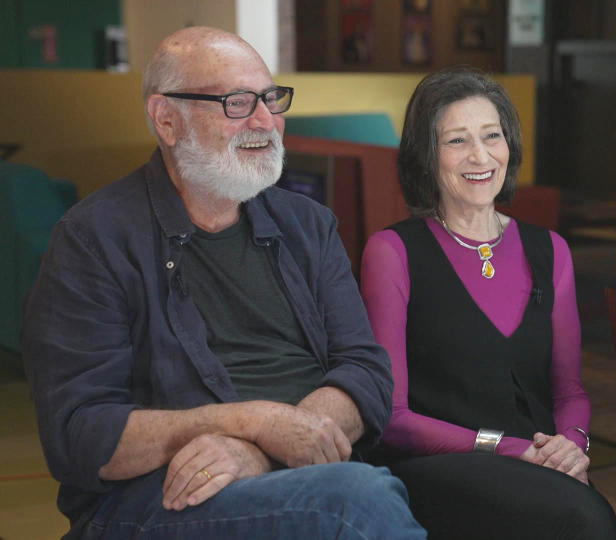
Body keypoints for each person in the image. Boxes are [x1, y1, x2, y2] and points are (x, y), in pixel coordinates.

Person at [21, 27, 425, 539]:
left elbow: (365, 370)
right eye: (236, 102)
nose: (265, 121)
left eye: (270, 98)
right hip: (158, 497)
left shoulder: (308, 224)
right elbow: (80, 435)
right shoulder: (92, 240)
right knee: (357, 503)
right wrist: (252, 423)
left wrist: (261, 451)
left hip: (309, 471)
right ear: (166, 119)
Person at [360, 67, 616, 539]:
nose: (480, 156)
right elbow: (391, 419)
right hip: (437, 467)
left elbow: (570, 392)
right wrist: (510, 448)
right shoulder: (392, 252)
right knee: (584, 519)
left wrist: (571, 447)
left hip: (539, 464)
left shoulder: (551, 250)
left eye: (492, 136)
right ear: (426, 156)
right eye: (457, 141)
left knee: (580, 510)